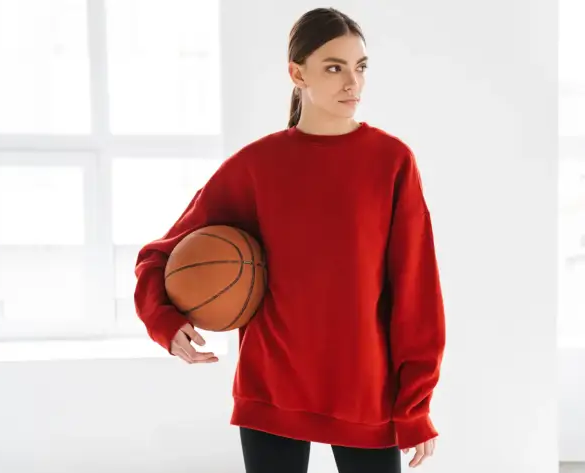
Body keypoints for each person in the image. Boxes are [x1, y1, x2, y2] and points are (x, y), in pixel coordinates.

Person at [134, 7, 446, 473]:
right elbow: (159, 255)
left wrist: (415, 402)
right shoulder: (256, 166)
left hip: (364, 389)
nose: (352, 84)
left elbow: (415, 291)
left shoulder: (392, 162)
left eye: (359, 67)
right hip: (272, 386)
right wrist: (163, 319)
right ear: (297, 73)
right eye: (334, 67)